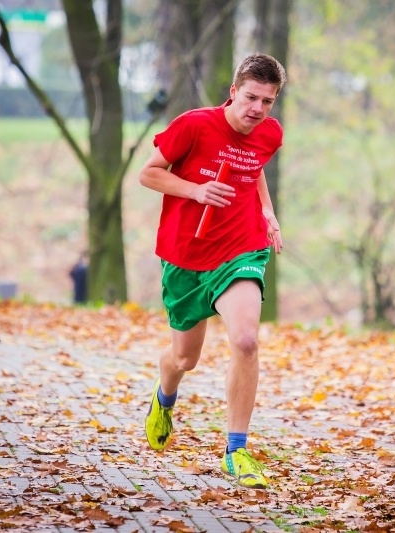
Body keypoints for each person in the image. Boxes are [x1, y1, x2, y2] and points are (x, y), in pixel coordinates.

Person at [138, 53, 286, 489]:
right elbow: (149, 174)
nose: (257, 109)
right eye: (251, 97)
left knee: (244, 340)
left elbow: (252, 167)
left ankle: (236, 451)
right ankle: (165, 395)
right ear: (233, 92)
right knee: (185, 356)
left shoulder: (269, 133)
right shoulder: (194, 125)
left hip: (241, 247)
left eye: (268, 101)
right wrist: (196, 190)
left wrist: (267, 211)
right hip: (184, 254)